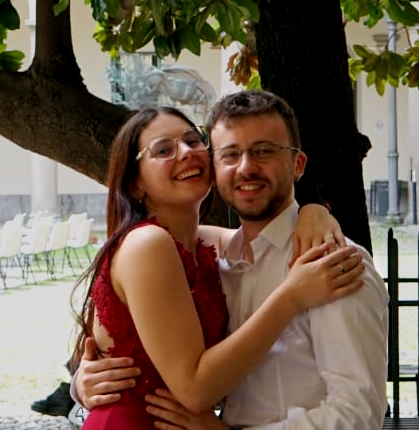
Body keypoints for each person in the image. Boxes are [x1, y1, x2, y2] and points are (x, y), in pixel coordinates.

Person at [71, 96, 370, 429]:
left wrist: (315, 211)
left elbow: (266, 234)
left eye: (192, 140)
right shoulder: (148, 244)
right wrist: (292, 296)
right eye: (163, 150)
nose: (185, 152)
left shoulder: (210, 246)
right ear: (135, 183)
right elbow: (194, 389)